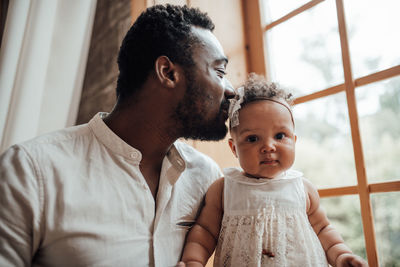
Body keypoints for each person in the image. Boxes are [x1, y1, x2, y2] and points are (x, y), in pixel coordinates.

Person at [0, 4, 235, 267]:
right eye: (220, 72)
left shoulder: (207, 178)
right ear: (167, 73)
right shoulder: (31, 170)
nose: (231, 91)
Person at [180, 74, 368, 267]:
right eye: (253, 139)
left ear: (294, 141)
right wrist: (192, 261)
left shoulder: (303, 189)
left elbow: (324, 230)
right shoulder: (223, 189)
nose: (268, 146)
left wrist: (341, 256)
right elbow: (204, 231)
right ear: (234, 148)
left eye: (280, 135)